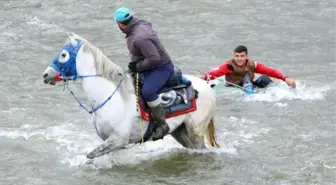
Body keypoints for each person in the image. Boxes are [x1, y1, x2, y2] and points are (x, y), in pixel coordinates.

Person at [114, 7, 173, 140]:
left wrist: (138, 66)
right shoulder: (138, 24)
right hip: (148, 66)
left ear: (120, 24)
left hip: (161, 67)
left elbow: (154, 58)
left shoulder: (140, 37)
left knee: (148, 91)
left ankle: (162, 125)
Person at [199, 45, 296, 93]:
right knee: (246, 78)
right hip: (236, 87)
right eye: (237, 56)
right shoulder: (229, 65)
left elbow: (270, 71)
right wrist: (203, 77)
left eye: (242, 56)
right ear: (234, 56)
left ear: (246, 56)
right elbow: (215, 73)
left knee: (265, 77)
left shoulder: (252, 64)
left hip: (249, 85)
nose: (239, 58)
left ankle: (278, 92)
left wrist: (285, 78)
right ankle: (250, 93)